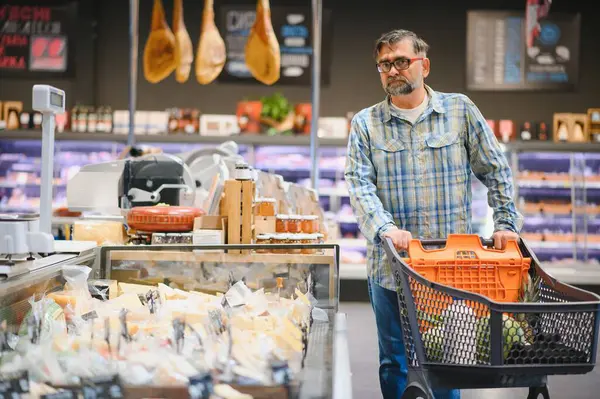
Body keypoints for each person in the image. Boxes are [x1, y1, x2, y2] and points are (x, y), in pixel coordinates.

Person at [344, 29, 523, 399]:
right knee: (395, 361)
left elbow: (496, 170)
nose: (392, 70)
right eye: (384, 64)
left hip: (451, 266)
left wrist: (506, 223)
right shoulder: (365, 124)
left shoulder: (459, 110)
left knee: (447, 358)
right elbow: (359, 186)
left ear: (423, 65)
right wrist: (385, 228)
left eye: (401, 61)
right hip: (391, 266)